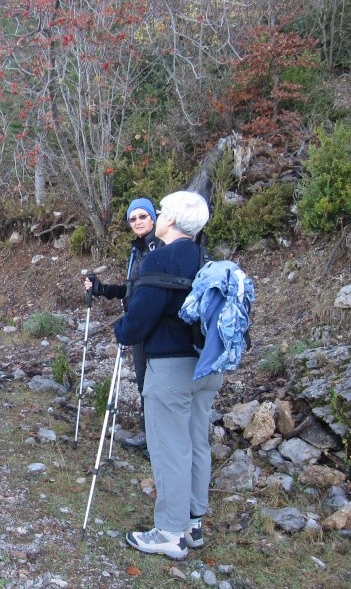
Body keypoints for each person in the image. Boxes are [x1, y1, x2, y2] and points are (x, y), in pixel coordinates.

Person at [111, 190, 222, 560]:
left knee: (170, 448)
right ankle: (192, 522)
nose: (156, 216)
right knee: (196, 441)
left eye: (160, 212)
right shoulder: (205, 258)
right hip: (206, 365)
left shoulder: (161, 258)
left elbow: (136, 323)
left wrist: (120, 329)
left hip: (171, 367)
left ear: (170, 220)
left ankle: (169, 532)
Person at [85, 197, 162, 454]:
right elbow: (132, 290)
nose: (138, 222)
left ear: (153, 218)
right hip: (139, 323)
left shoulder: (158, 247)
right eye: (133, 218)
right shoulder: (137, 251)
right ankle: (150, 434)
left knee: (154, 381)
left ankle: (158, 439)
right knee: (142, 380)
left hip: (154, 324)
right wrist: (102, 289)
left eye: (143, 216)